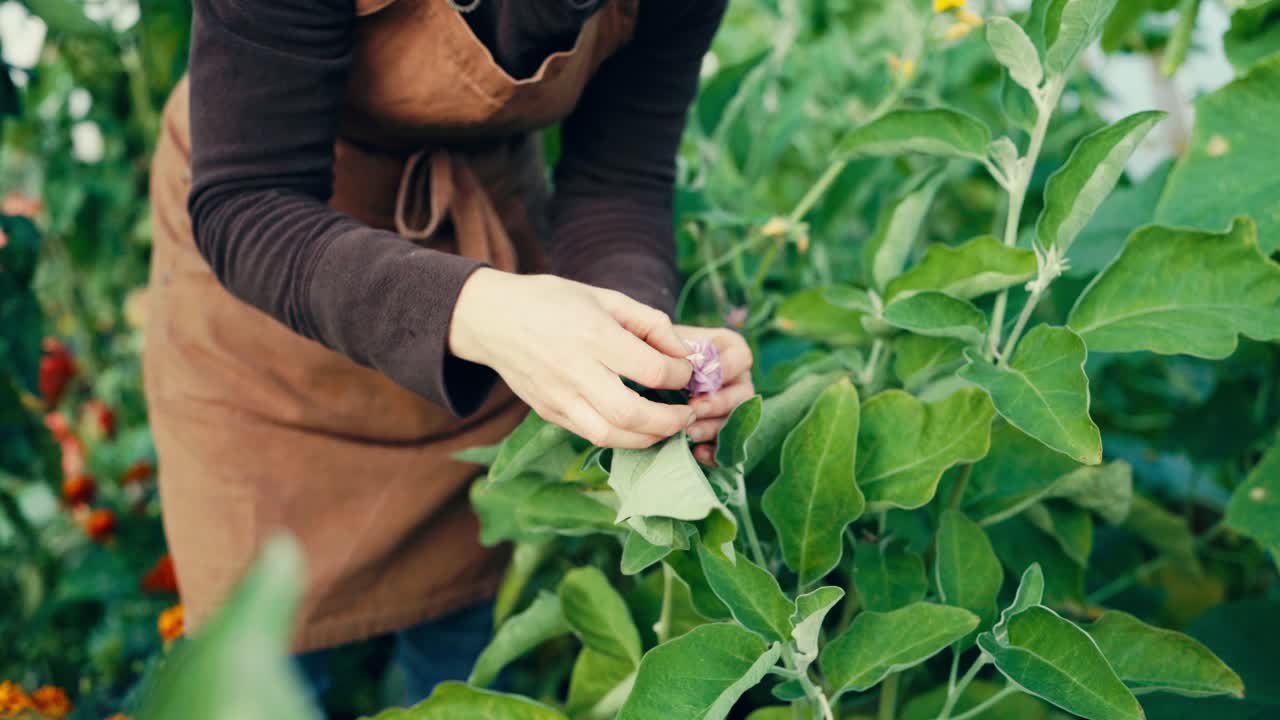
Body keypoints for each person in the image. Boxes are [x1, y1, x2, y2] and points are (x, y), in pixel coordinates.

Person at [143, 0, 752, 706]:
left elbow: (617, 182)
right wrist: (482, 311)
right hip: (273, 299)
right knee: (260, 664)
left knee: (458, 640)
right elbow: (250, 202)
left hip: (486, 247)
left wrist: (642, 346)